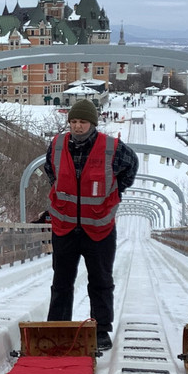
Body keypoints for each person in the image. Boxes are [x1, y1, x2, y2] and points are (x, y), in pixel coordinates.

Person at [43, 99, 138, 352]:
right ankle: (58, 327)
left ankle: (101, 329)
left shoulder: (112, 149)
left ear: (92, 123)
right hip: (64, 226)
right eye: (73, 122)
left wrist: (115, 189)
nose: (77, 126)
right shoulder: (57, 145)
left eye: (82, 122)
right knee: (61, 279)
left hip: (99, 227)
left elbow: (131, 167)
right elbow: (49, 169)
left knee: (100, 280)